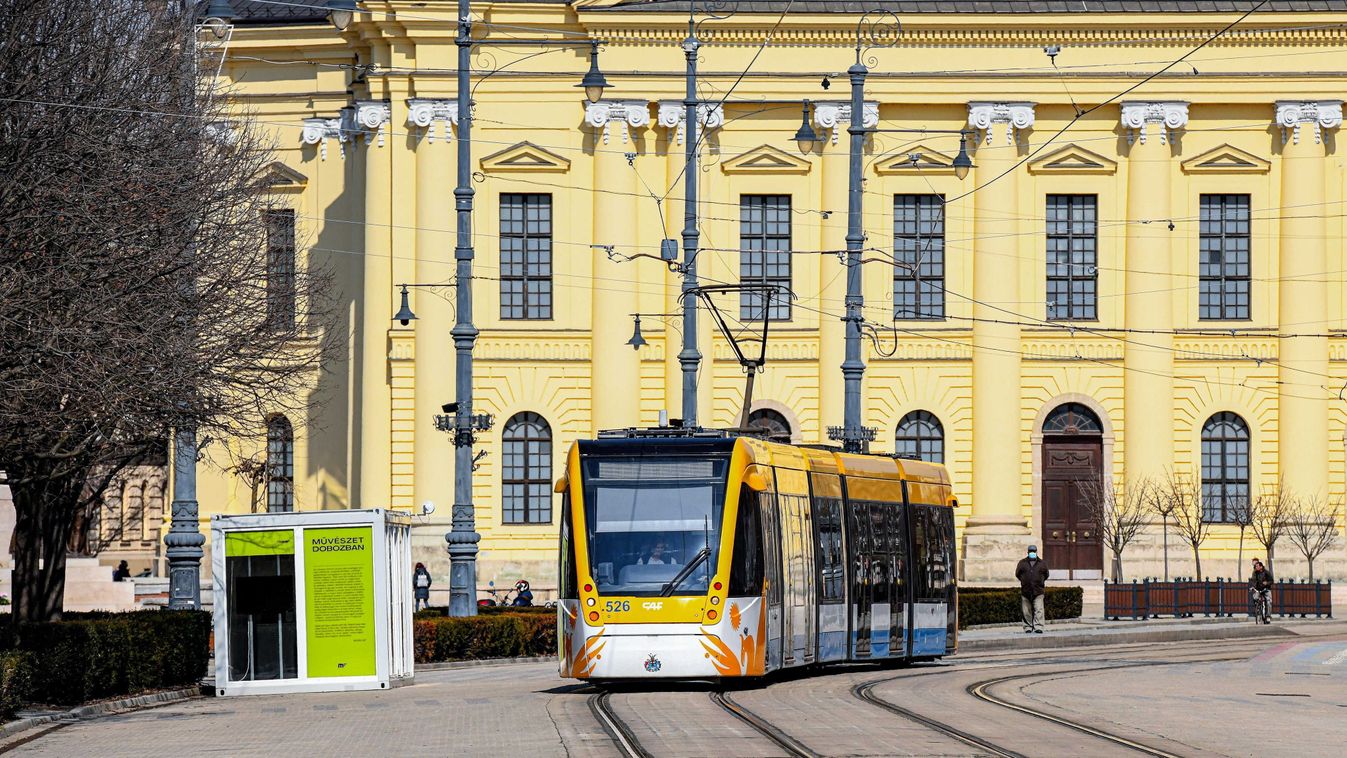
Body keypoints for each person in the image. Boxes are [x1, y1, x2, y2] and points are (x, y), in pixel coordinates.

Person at [1015, 545, 1049, 634]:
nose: (1032, 553)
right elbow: (1017, 574)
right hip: (1026, 590)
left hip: (1038, 590)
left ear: (1036, 552)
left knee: (1039, 609)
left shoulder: (1042, 563)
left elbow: (1046, 575)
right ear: (1028, 552)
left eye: (1033, 551)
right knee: (1026, 611)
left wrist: (1040, 581)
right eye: (1030, 551)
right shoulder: (1022, 563)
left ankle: (1039, 627)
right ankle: (1027, 627)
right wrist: (1024, 581)